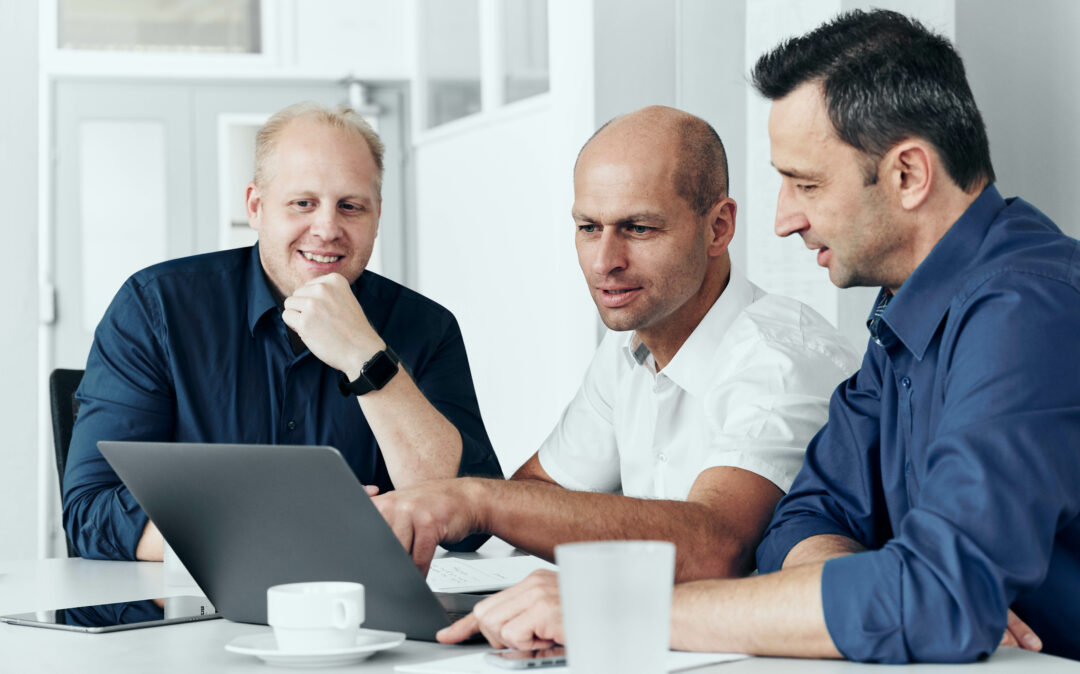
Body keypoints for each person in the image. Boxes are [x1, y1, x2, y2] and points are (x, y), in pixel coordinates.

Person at [439, 9, 1080, 663]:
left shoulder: (1030, 307)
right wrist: (890, 596)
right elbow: (806, 519)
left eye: (807, 183)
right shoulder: (904, 313)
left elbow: (935, 597)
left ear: (908, 175)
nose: (783, 219)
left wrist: (615, 608)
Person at [372, 106, 858, 590]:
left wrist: (476, 499)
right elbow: (539, 491)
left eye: (638, 228)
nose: (604, 262)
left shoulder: (780, 362)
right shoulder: (628, 347)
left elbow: (714, 546)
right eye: (589, 228)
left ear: (718, 228)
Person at [63, 102, 501, 561]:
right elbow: (92, 512)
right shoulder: (155, 307)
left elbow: (469, 528)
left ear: (376, 216)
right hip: (189, 598)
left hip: (360, 600)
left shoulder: (428, 328)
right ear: (256, 207)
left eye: (351, 206)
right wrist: (286, 526)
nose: (327, 229)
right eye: (303, 203)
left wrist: (366, 358)